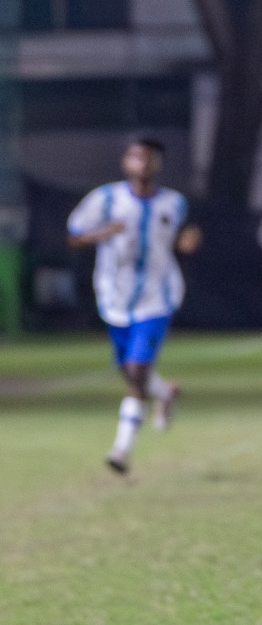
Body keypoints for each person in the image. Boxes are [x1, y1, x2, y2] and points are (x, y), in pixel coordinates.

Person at [68, 138, 202, 473]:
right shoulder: (106, 198)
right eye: (135, 155)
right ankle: (166, 393)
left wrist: (190, 241)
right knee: (127, 369)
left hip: (157, 298)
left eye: (148, 156)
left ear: (159, 162)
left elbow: (187, 234)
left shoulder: (174, 202)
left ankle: (121, 451)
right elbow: (74, 235)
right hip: (114, 297)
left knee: (137, 373)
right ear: (126, 161)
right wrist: (100, 235)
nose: (141, 161)